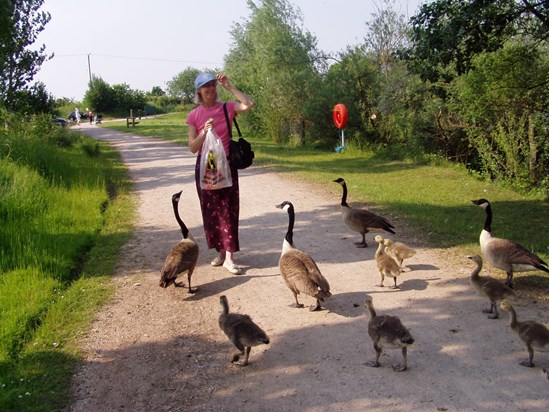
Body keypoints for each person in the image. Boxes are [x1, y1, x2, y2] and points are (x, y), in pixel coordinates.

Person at [186, 73, 254, 275]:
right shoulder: (194, 115)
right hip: (206, 167)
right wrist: (203, 133)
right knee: (211, 212)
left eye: (213, 85)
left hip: (226, 165)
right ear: (199, 91)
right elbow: (192, 147)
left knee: (229, 210)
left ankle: (230, 257)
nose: (211, 89)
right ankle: (221, 252)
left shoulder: (228, 107)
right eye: (206, 86)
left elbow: (248, 104)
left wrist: (229, 86)